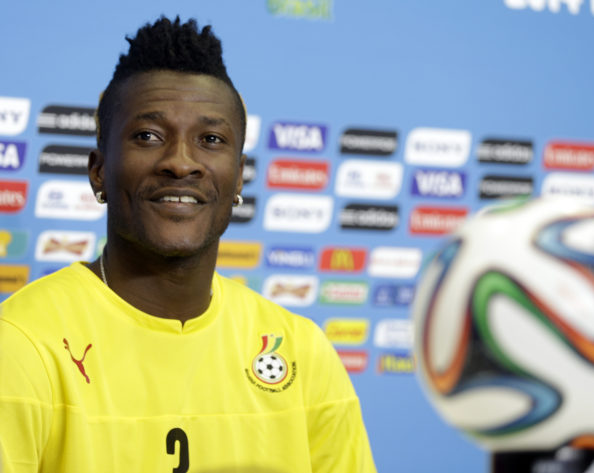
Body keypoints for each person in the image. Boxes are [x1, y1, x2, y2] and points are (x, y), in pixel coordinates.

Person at [0, 16, 377, 473]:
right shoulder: (18, 344)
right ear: (98, 170)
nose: (181, 163)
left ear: (238, 177)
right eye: (148, 136)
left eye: (211, 140)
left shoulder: (302, 354)